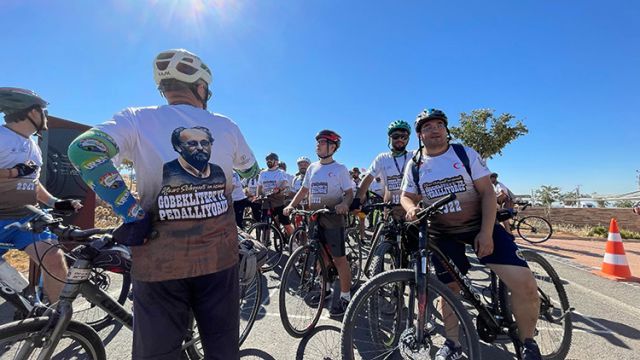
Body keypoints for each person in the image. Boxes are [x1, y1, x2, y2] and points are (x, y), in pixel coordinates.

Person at [68, 49, 259, 359]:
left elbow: (85, 151)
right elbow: (250, 168)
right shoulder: (225, 125)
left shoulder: (138, 118)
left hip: (159, 261)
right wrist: (249, 174)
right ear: (201, 87)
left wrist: (130, 213)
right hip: (218, 260)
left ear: (164, 87)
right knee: (222, 349)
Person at [400, 108, 542, 360]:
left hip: (480, 226)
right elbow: (407, 196)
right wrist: (410, 209)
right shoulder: (416, 164)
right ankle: (453, 344)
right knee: (449, 290)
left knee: (526, 286)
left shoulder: (464, 154)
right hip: (443, 234)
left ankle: (528, 342)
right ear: (420, 135)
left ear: (446, 130)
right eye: (427, 127)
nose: (434, 130)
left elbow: (487, 193)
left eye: (438, 125)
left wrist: (487, 233)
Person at [0, 87, 82, 303]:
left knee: (53, 258)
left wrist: (55, 202)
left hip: (26, 218)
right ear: (31, 112)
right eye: (43, 111)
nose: (45, 116)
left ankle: (58, 322)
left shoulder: (33, 146)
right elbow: (19, 175)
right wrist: (13, 172)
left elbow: (33, 184)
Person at [284, 130, 353, 317]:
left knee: (339, 259)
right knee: (320, 256)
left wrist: (344, 204)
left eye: (322, 142)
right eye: (318, 142)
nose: (318, 145)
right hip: (314, 217)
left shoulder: (340, 169)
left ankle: (346, 297)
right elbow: (303, 190)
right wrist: (291, 205)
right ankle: (326, 289)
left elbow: (349, 193)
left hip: (332, 217)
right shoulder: (312, 168)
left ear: (333, 147)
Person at [353, 120, 413, 220]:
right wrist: (357, 199)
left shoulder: (414, 155)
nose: (400, 139)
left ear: (408, 139)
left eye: (404, 137)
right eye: (395, 136)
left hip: (410, 208)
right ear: (389, 138)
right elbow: (367, 179)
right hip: (390, 208)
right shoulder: (382, 158)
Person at [257, 153, 293, 236]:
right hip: (266, 201)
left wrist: (279, 189)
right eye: (267, 160)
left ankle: (293, 241)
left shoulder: (281, 172)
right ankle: (265, 243)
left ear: (276, 161)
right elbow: (259, 186)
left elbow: (284, 184)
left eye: (271, 160)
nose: (268, 162)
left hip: (278, 201)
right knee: (265, 224)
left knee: (286, 224)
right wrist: (258, 195)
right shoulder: (262, 173)